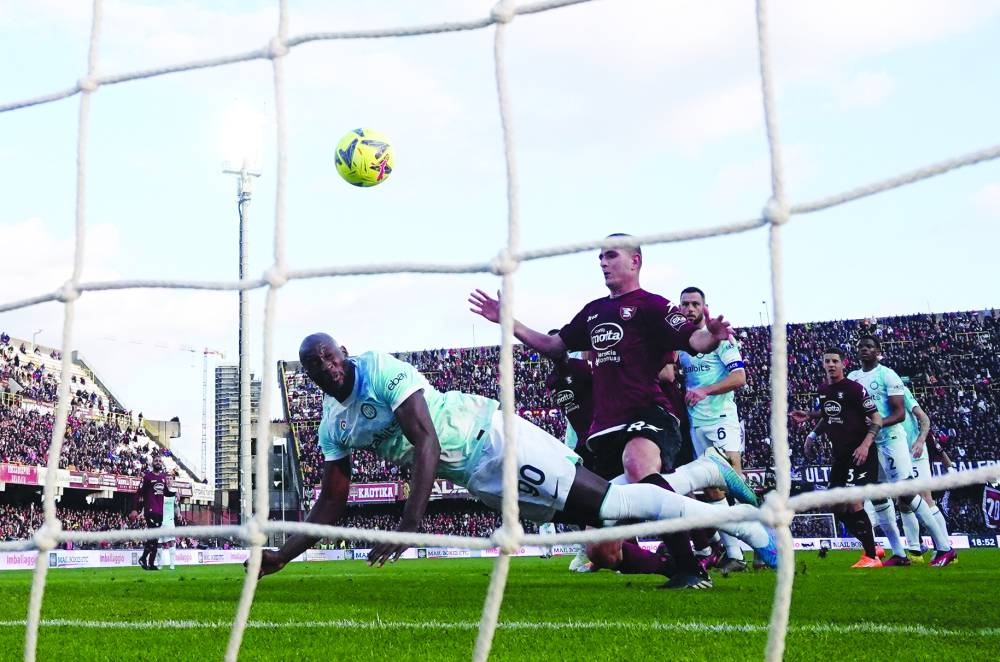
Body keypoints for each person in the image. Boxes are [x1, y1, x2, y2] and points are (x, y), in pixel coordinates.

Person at [253, 334, 777, 587]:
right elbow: (331, 501)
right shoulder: (332, 424)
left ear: (343, 352)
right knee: (606, 529)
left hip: (493, 441)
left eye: (329, 355)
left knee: (615, 505)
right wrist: (284, 554)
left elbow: (426, 441)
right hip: (481, 476)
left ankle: (747, 528)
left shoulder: (378, 369)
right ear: (308, 376)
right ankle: (705, 472)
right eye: (313, 365)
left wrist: (412, 523)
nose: (326, 366)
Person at [469, 234, 738, 587]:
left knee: (639, 465)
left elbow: (695, 341)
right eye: (600, 258)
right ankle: (677, 550)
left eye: (611, 256)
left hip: (648, 413)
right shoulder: (594, 312)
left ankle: (692, 565)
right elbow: (553, 346)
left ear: (635, 261)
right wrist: (510, 322)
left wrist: (713, 335)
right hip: (603, 430)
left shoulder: (653, 306)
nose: (603, 263)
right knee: (601, 552)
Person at [848, 336, 956, 567]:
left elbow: (900, 414)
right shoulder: (853, 378)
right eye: (861, 347)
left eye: (869, 347)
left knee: (909, 495)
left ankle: (945, 548)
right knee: (879, 496)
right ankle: (900, 553)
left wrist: (919, 440)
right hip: (871, 444)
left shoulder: (888, 375)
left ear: (878, 351)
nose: (864, 350)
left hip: (893, 441)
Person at [673, 286, 749, 573]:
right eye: (685, 304)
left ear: (704, 307)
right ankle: (734, 555)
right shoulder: (683, 347)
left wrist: (706, 389)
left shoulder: (722, 341)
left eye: (695, 304)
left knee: (734, 485)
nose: (689, 309)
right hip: (696, 424)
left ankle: (769, 544)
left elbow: (739, 377)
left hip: (721, 421)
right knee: (713, 490)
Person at [790, 347, 883, 568]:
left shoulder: (854, 389)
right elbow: (829, 414)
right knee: (835, 506)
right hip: (840, 456)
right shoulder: (824, 390)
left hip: (860, 453)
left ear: (843, 363)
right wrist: (812, 428)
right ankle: (872, 545)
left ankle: (871, 556)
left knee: (853, 500)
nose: (831, 364)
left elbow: (877, 419)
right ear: (823, 364)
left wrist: (865, 444)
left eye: (835, 361)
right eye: (827, 361)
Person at [899, 385, 951, 562]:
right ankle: (915, 551)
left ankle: (945, 548)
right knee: (903, 501)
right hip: (897, 452)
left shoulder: (901, 390)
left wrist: (920, 441)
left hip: (915, 451)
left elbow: (924, 418)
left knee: (926, 499)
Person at [130, 456, 168, 571]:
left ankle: (151, 563)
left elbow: (165, 492)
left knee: (155, 538)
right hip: (150, 510)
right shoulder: (147, 477)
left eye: (160, 461)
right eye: (156, 461)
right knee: (153, 535)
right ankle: (143, 558)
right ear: (152, 463)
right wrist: (135, 509)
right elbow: (139, 493)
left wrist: (175, 494)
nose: (158, 462)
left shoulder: (163, 477)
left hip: (160, 512)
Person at [160, 471, 179, 570]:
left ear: (172, 481)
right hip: (159, 520)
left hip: (170, 521)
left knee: (171, 541)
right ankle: (159, 563)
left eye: (170, 479)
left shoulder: (175, 493)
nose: (168, 480)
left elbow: (176, 506)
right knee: (159, 543)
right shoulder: (160, 491)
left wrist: (179, 513)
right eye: (167, 479)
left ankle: (172, 564)